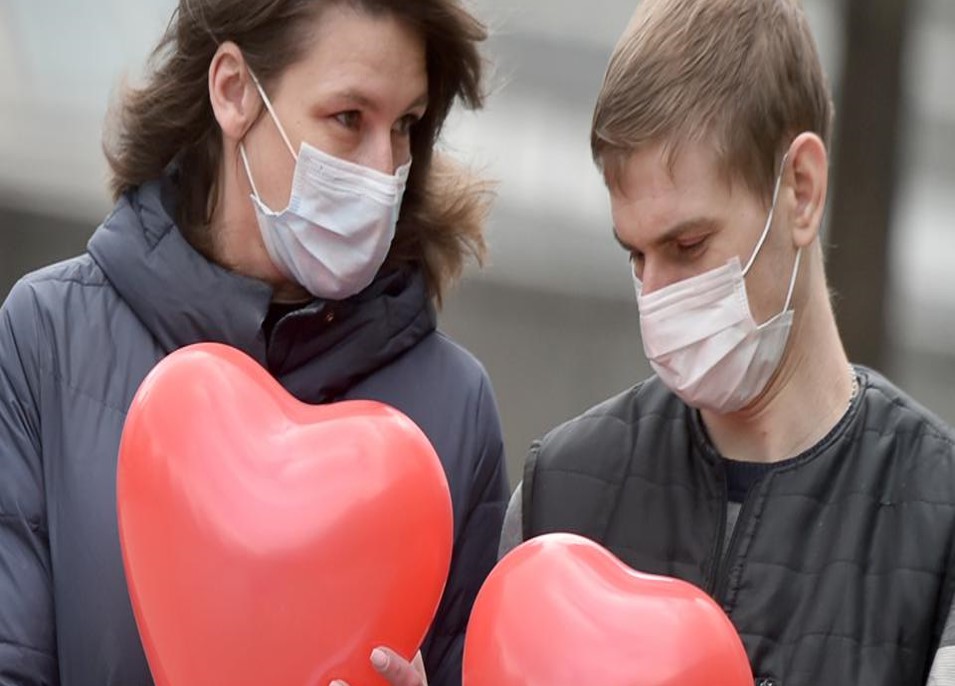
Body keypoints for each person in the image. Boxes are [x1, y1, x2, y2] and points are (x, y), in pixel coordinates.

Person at [0, 1, 509, 685]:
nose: (382, 167)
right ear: (234, 91)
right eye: (349, 118)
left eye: (405, 125)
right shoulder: (48, 339)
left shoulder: (456, 406)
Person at [499, 0, 955, 683]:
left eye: (688, 245)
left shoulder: (936, 519)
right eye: (635, 255)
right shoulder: (557, 496)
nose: (656, 296)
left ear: (801, 191)